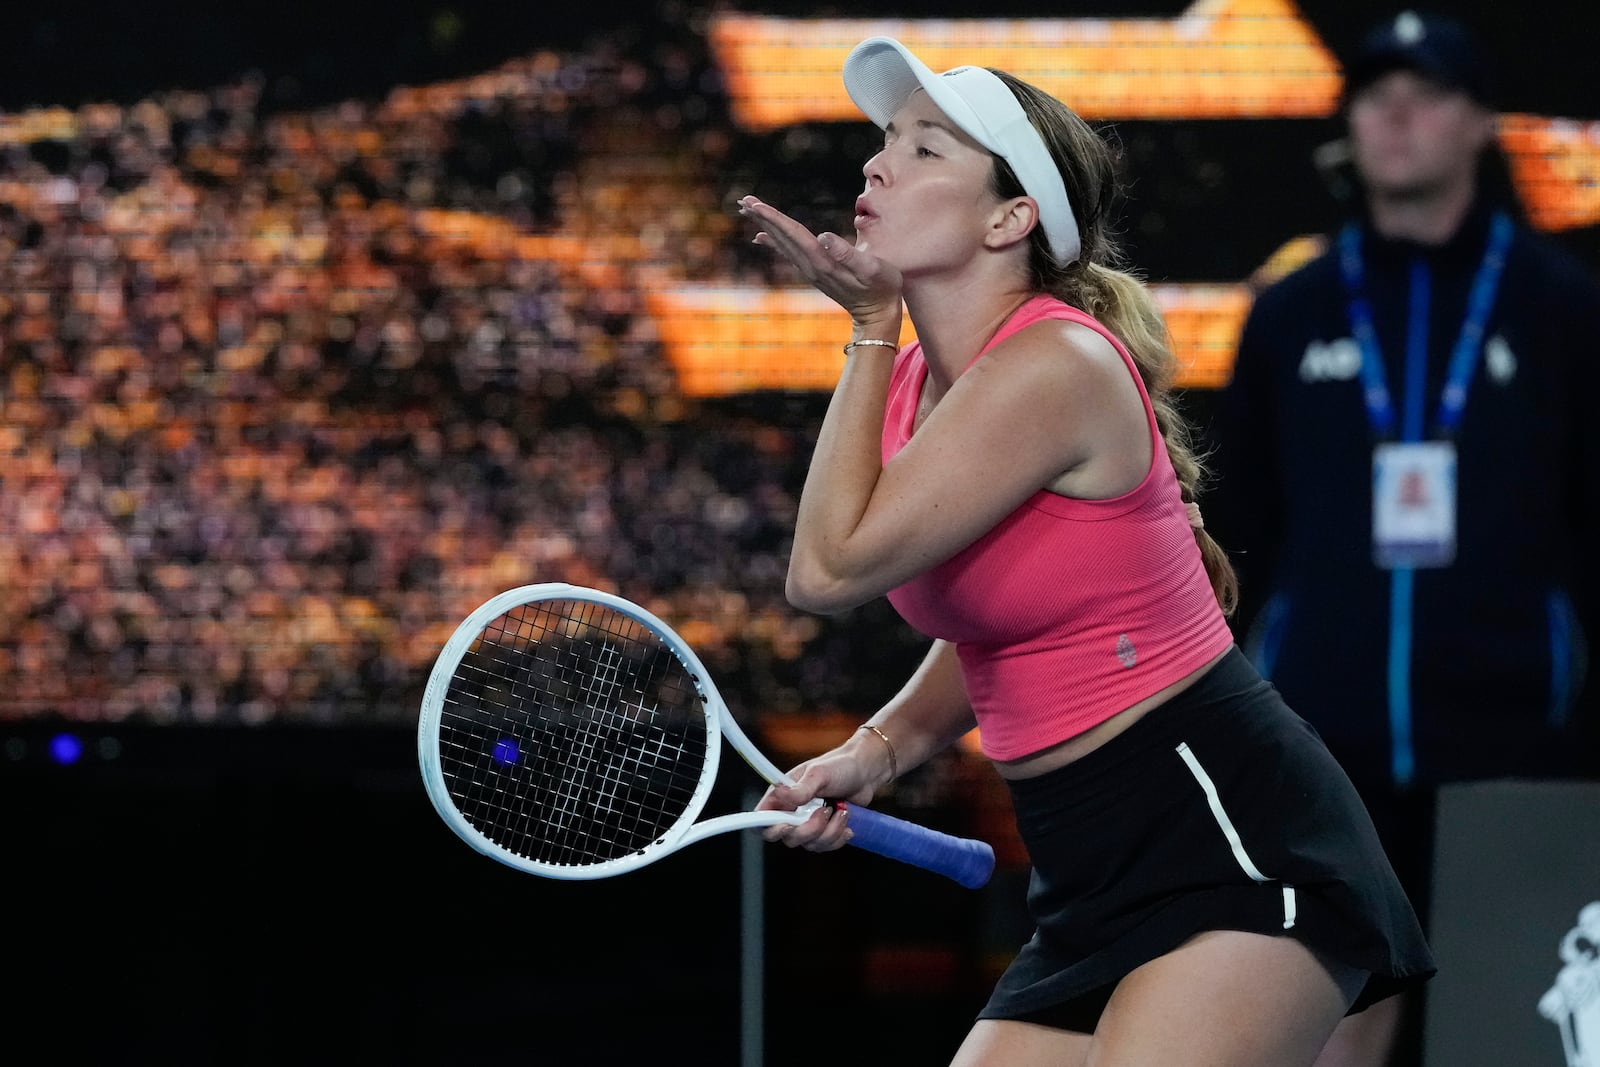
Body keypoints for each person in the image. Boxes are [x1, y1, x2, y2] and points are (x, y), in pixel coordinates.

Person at [736, 34, 1435, 1067]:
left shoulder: (1055, 363)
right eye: (885, 139)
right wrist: (875, 750)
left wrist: (870, 325)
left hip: (1222, 825)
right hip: (1081, 865)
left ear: (1009, 217)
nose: (878, 164)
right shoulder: (923, 381)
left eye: (927, 149)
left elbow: (826, 572)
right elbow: (997, 614)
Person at [1203, 10, 1600, 1066]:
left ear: (1478, 123)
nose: (1395, 115)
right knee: (1337, 1018)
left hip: (1519, 743)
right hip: (1325, 740)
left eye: (1424, 93)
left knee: (1523, 1024)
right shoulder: (1291, 311)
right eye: (1375, 94)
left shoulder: (1559, 308)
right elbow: (1238, 525)